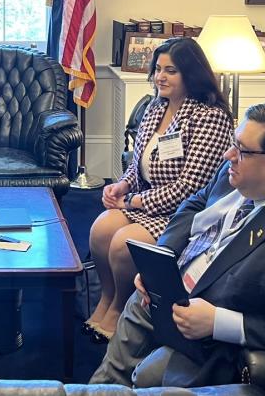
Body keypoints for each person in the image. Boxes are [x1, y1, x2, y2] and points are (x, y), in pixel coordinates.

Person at [90, 100, 265, 388]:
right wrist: (163, 259)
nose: (229, 154)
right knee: (137, 310)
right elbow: (196, 204)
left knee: (150, 371)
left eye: (242, 150)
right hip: (186, 292)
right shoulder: (248, 173)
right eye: (233, 143)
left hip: (226, 343)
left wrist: (219, 322)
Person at [86, 38, 232, 341]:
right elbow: (138, 160)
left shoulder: (210, 116)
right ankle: (106, 299)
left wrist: (134, 202)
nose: (160, 77)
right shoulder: (155, 107)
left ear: (191, 74)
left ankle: (119, 311)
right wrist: (122, 184)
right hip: (145, 201)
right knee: (100, 230)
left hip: (181, 213)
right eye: (157, 69)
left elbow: (192, 186)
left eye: (171, 71)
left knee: (123, 243)